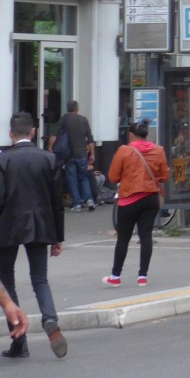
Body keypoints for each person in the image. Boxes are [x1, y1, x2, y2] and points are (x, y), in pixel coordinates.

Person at [0, 112, 67, 359]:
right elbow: (57, 202)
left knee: (6, 279)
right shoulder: (48, 159)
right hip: (40, 226)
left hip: (7, 226)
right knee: (40, 279)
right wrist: (57, 238)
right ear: (33, 132)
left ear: (10, 134)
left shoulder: (3, 160)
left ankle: (19, 340)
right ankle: (50, 321)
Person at [103, 120, 169, 288]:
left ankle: (115, 276)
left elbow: (112, 176)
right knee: (146, 236)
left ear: (131, 135)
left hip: (128, 198)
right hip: (150, 198)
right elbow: (164, 175)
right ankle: (142, 276)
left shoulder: (124, 151)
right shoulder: (158, 150)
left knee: (123, 238)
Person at [48, 100, 95, 212]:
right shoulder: (83, 120)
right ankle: (89, 200)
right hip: (82, 154)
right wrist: (92, 154)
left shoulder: (64, 120)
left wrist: (50, 148)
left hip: (69, 155)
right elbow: (90, 139)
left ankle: (77, 204)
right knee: (84, 177)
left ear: (68, 109)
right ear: (77, 109)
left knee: (72, 179)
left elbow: (54, 135)